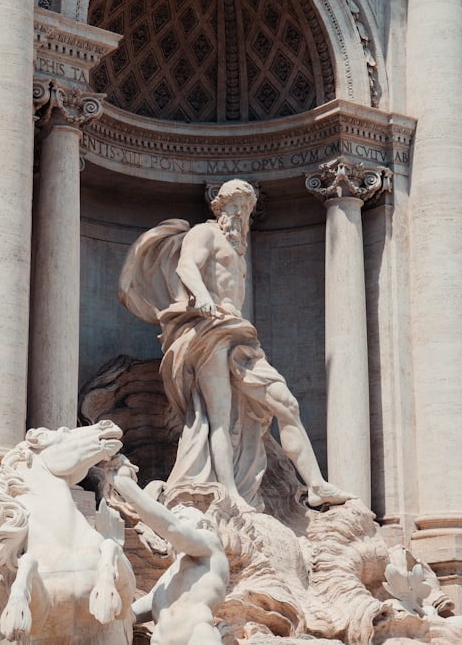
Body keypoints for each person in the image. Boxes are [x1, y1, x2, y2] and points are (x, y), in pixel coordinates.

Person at [119, 179, 352, 511]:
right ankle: (227, 492)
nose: (240, 212)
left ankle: (316, 485)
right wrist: (201, 297)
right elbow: (187, 266)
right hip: (209, 329)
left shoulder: (239, 246)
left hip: (239, 334)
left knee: (286, 404)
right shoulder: (204, 233)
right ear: (219, 206)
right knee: (221, 417)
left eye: (246, 206)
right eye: (234, 205)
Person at [103, 455, 229, 645]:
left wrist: (124, 484)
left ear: (202, 524)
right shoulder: (166, 580)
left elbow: (172, 528)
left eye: (182, 517)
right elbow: (130, 615)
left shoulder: (210, 549)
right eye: (173, 515)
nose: (173, 519)